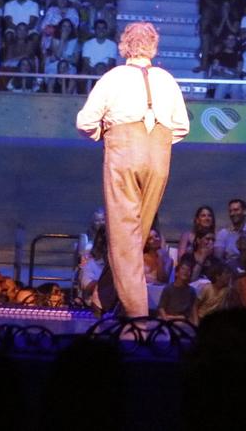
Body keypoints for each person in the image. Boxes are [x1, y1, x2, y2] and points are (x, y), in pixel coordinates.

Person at [74, 21, 191, 318]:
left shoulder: (113, 77)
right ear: (153, 47)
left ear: (124, 46)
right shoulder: (167, 79)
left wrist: (107, 134)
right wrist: (157, 140)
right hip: (159, 157)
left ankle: (137, 316)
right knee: (135, 236)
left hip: (125, 150)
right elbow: (183, 127)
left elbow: (84, 122)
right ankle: (104, 297)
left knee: (125, 238)